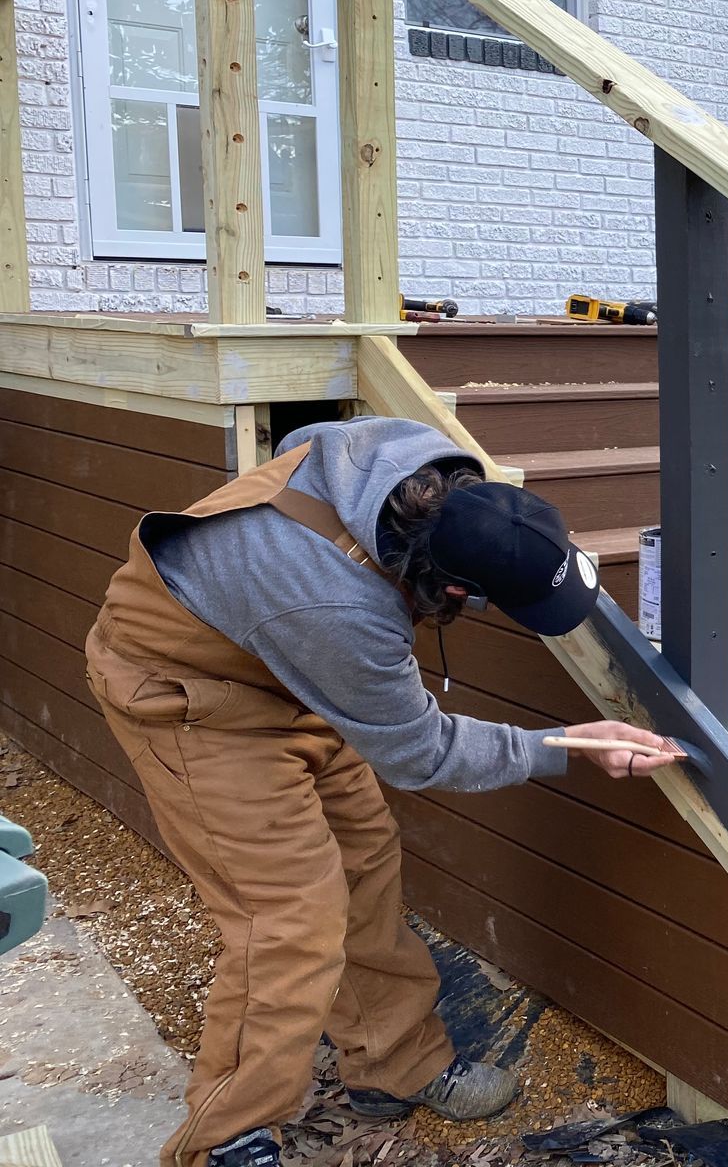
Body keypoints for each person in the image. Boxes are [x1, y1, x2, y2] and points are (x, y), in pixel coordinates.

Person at [83, 416, 679, 1167]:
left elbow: (307, 433)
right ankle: (227, 1138)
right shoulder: (343, 614)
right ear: (455, 587)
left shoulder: (411, 450)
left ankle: (395, 1063)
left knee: (365, 862)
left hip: (290, 666)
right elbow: (420, 752)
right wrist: (564, 749)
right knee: (290, 919)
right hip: (191, 694)